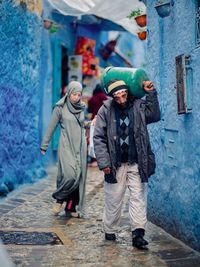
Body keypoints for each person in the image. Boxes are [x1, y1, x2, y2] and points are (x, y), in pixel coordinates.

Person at [93, 79, 160, 249]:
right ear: (112, 96)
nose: (121, 100)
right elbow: (99, 137)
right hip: (114, 164)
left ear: (127, 93)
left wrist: (150, 93)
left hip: (136, 162)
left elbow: (154, 115)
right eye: (117, 97)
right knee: (114, 199)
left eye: (123, 95)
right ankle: (109, 229)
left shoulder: (139, 105)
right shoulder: (105, 110)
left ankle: (138, 234)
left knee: (138, 197)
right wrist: (104, 162)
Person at [40, 81, 87, 218]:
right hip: (66, 145)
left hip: (80, 146)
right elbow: (51, 127)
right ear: (68, 93)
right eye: (74, 94)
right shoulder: (60, 108)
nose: (76, 97)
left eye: (79, 95)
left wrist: (91, 123)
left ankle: (71, 206)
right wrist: (44, 145)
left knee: (78, 176)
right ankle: (59, 199)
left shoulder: (81, 107)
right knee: (69, 175)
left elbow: (81, 125)